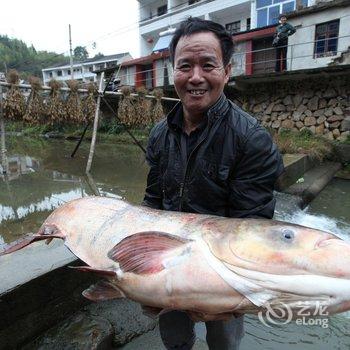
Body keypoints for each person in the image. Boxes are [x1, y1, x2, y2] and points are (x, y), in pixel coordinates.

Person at [143, 17, 284, 350]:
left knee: (224, 343)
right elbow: (151, 203)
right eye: (185, 66)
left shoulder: (251, 140)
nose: (195, 77)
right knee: (175, 341)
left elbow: (252, 231)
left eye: (208, 65)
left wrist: (220, 290)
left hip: (225, 275)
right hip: (169, 267)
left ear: (227, 71)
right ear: (172, 71)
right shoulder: (159, 135)